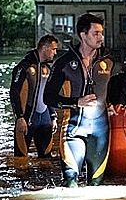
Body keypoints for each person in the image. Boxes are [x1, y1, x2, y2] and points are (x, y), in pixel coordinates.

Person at [44, 13, 114, 187]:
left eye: (101, 33)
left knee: (96, 188)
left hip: (101, 132)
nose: (101, 37)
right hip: (73, 130)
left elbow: (112, 89)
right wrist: (76, 102)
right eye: (95, 33)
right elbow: (48, 97)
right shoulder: (64, 63)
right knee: (71, 185)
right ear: (83, 35)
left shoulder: (109, 61)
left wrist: (112, 104)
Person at [10, 35, 59, 158]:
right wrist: (20, 117)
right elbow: (14, 92)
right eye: (53, 49)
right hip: (27, 118)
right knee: (20, 160)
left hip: (45, 119)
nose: (55, 52)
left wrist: (53, 116)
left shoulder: (47, 68)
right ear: (45, 48)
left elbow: (49, 94)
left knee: (46, 160)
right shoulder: (23, 67)